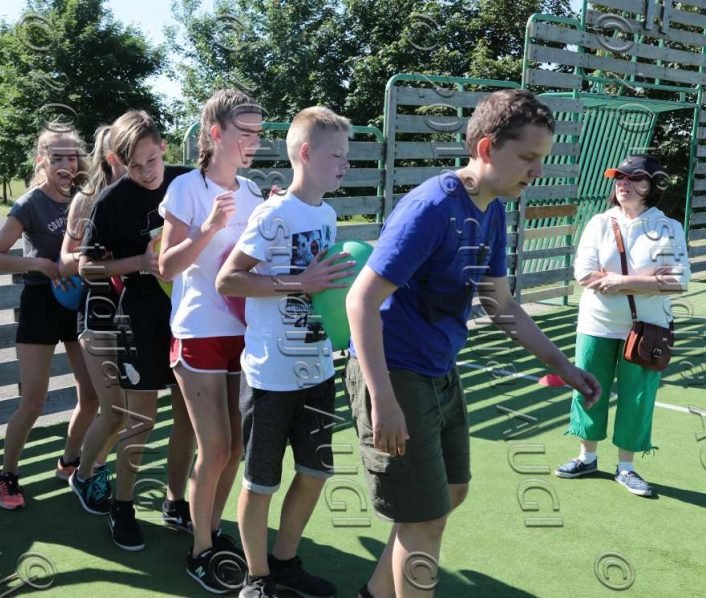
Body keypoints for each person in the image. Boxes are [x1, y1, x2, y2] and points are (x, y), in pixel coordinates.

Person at [344, 89, 602, 598]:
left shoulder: (492, 209)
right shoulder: (432, 207)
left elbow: (499, 303)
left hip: (439, 369)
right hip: (393, 371)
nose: (537, 171)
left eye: (541, 159)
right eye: (528, 158)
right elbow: (360, 301)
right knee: (424, 522)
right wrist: (383, 399)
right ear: (486, 148)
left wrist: (564, 366)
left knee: (450, 493)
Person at [217, 106, 354, 598]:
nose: (345, 165)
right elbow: (228, 279)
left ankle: (285, 564)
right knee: (260, 484)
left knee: (315, 473)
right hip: (270, 376)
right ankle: (255, 580)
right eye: (336, 156)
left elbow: (326, 291)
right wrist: (300, 282)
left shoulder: (328, 215)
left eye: (347, 156)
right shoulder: (273, 215)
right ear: (306, 153)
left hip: (317, 369)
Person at [158, 89, 264, 592]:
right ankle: (200, 551)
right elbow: (166, 266)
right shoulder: (185, 188)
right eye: (246, 132)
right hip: (198, 331)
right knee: (216, 447)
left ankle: (212, 530)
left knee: (237, 448)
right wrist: (208, 227)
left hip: (245, 333)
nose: (255, 141)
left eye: (259, 132)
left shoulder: (255, 192)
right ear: (216, 133)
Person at [78, 110, 196, 551]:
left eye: (153, 160)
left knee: (188, 417)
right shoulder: (111, 201)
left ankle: (176, 501)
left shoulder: (189, 182)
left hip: (190, 315)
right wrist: (140, 263)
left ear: (164, 146)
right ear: (118, 161)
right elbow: (87, 267)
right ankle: (122, 505)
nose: (148, 172)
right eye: (135, 165)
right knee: (140, 420)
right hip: (139, 319)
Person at [554, 155, 689, 497]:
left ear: (652, 186)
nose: (623, 184)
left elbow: (678, 280)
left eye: (634, 178)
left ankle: (626, 467)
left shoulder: (667, 228)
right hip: (596, 323)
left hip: (648, 328)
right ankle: (586, 457)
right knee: (587, 389)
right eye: (619, 178)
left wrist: (620, 281)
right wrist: (649, 280)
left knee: (637, 396)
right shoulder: (599, 223)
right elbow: (584, 274)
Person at [0, 124, 98, 510]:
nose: (67, 164)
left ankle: (69, 462)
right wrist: (39, 264)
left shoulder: (86, 198)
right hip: (39, 304)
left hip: (78, 303)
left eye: (72, 157)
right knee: (33, 401)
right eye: (57, 157)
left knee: (92, 395)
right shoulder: (30, 203)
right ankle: (7, 475)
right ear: (41, 161)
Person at [59, 123, 126, 515]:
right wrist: (102, 257)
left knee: (129, 410)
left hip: (135, 311)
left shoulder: (149, 195)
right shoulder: (87, 200)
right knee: (113, 408)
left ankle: (94, 468)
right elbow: (65, 260)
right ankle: (83, 473)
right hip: (98, 309)